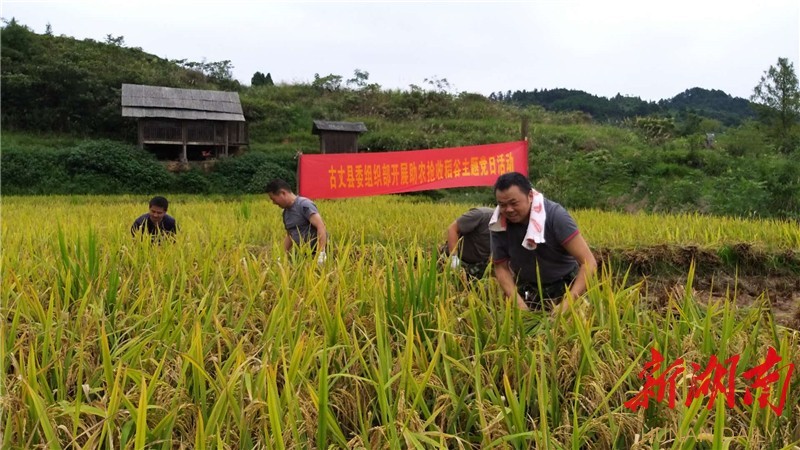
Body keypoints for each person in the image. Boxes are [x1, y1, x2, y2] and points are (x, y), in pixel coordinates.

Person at [490, 172, 597, 313]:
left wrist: (569, 302)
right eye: (502, 205)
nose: (508, 210)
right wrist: (519, 304)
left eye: (514, 203)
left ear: (529, 196)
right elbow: (501, 267)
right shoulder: (498, 223)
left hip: (566, 285)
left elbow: (589, 262)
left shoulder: (555, 216)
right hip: (527, 288)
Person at [265, 179, 328, 265]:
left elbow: (321, 226)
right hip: (303, 255)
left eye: (274, 199)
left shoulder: (304, 205)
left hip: (316, 254)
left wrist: (321, 253)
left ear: (283, 193)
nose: (273, 203)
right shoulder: (285, 213)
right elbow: (290, 235)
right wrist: (282, 255)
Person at [441, 207, 494, 280]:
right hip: (459, 259)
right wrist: (454, 258)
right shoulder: (481, 215)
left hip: (479, 264)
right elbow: (453, 229)